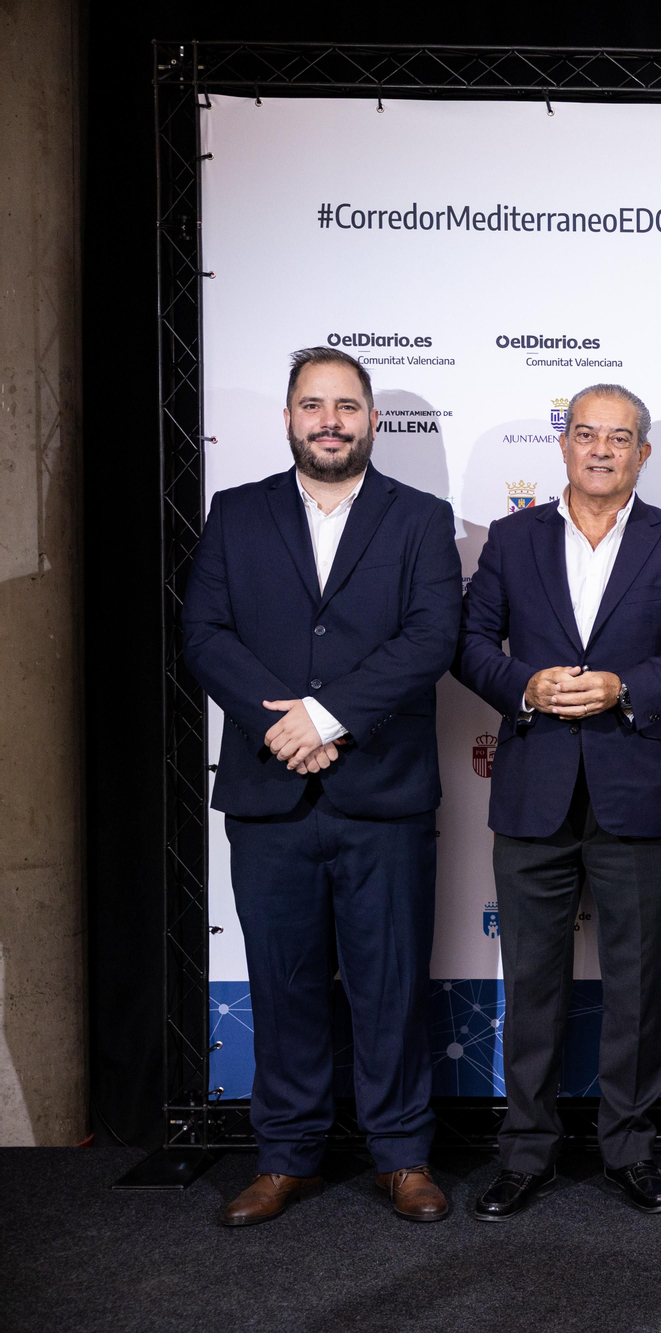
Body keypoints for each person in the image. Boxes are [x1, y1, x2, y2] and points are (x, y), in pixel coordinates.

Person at [184, 346, 460, 1226]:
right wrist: (282, 725)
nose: (330, 420)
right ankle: (286, 1154)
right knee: (282, 977)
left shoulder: (421, 517)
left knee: (390, 982)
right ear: (291, 418)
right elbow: (206, 633)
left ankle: (402, 1154)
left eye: (346, 405)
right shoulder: (237, 512)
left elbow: (430, 639)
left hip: (382, 792)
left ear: (373, 419)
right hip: (271, 793)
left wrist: (327, 716)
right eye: (313, 405)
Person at [455, 383, 661, 1220]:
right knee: (530, 983)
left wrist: (627, 687)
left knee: (633, 985)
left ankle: (630, 1148)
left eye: (620, 437)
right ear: (564, 444)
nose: (602, 449)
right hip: (535, 787)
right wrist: (523, 686)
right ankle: (526, 1151)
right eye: (587, 433)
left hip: (636, 790)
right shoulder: (512, 537)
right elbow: (468, 643)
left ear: (645, 452)